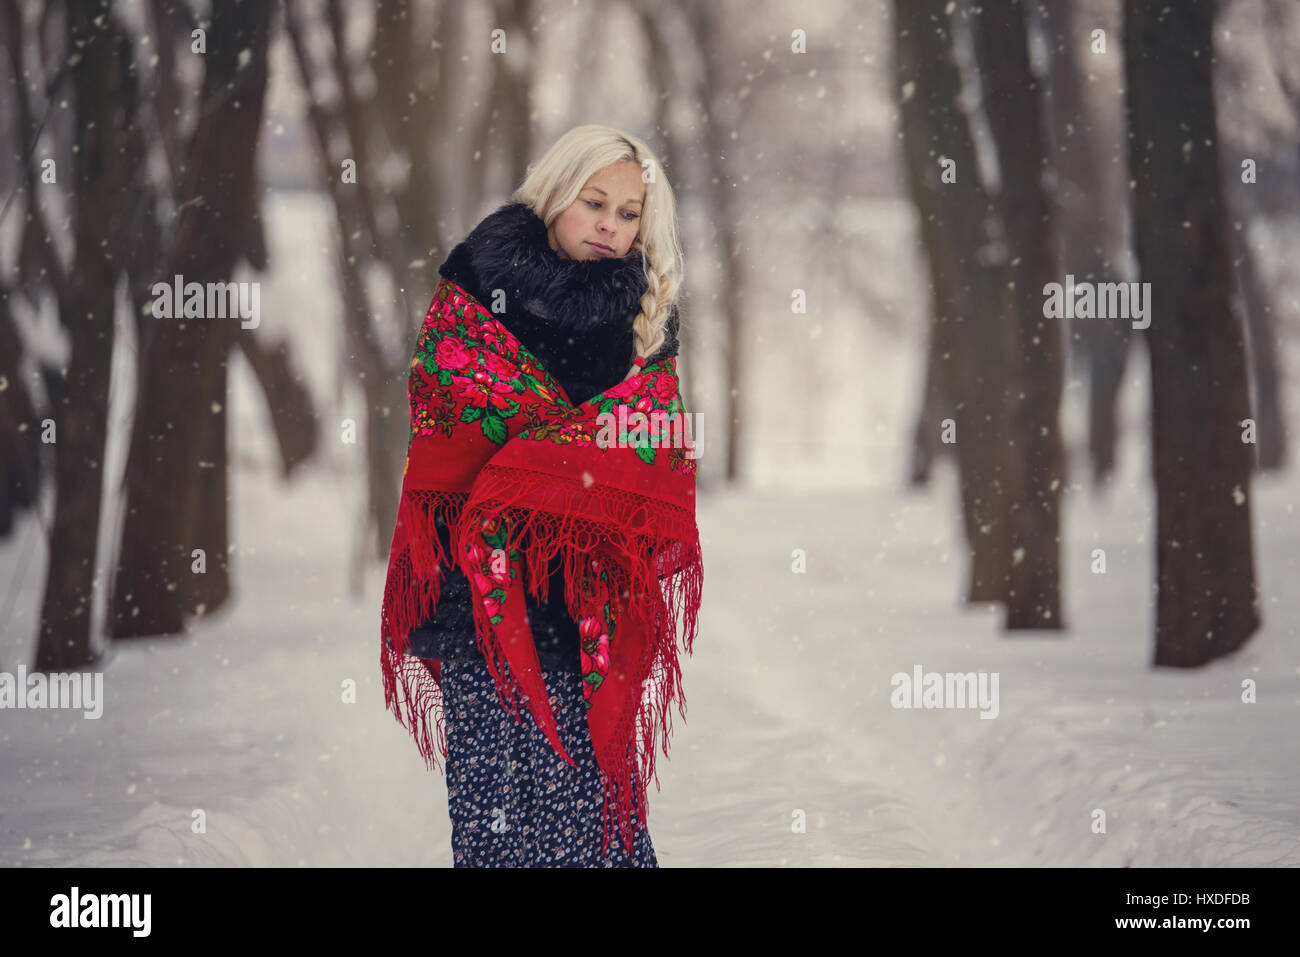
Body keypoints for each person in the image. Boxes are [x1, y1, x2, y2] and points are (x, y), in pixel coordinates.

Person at [401, 124, 685, 867]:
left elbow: (650, 452)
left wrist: (551, 466)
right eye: (595, 202)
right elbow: (446, 422)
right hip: (477, 598)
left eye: (628, 214)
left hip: (584, 601)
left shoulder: (643, 322)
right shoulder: (476, 285)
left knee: (590, 826)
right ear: (557, 191)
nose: (609, 225)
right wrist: (549, 461)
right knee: (496, 833)